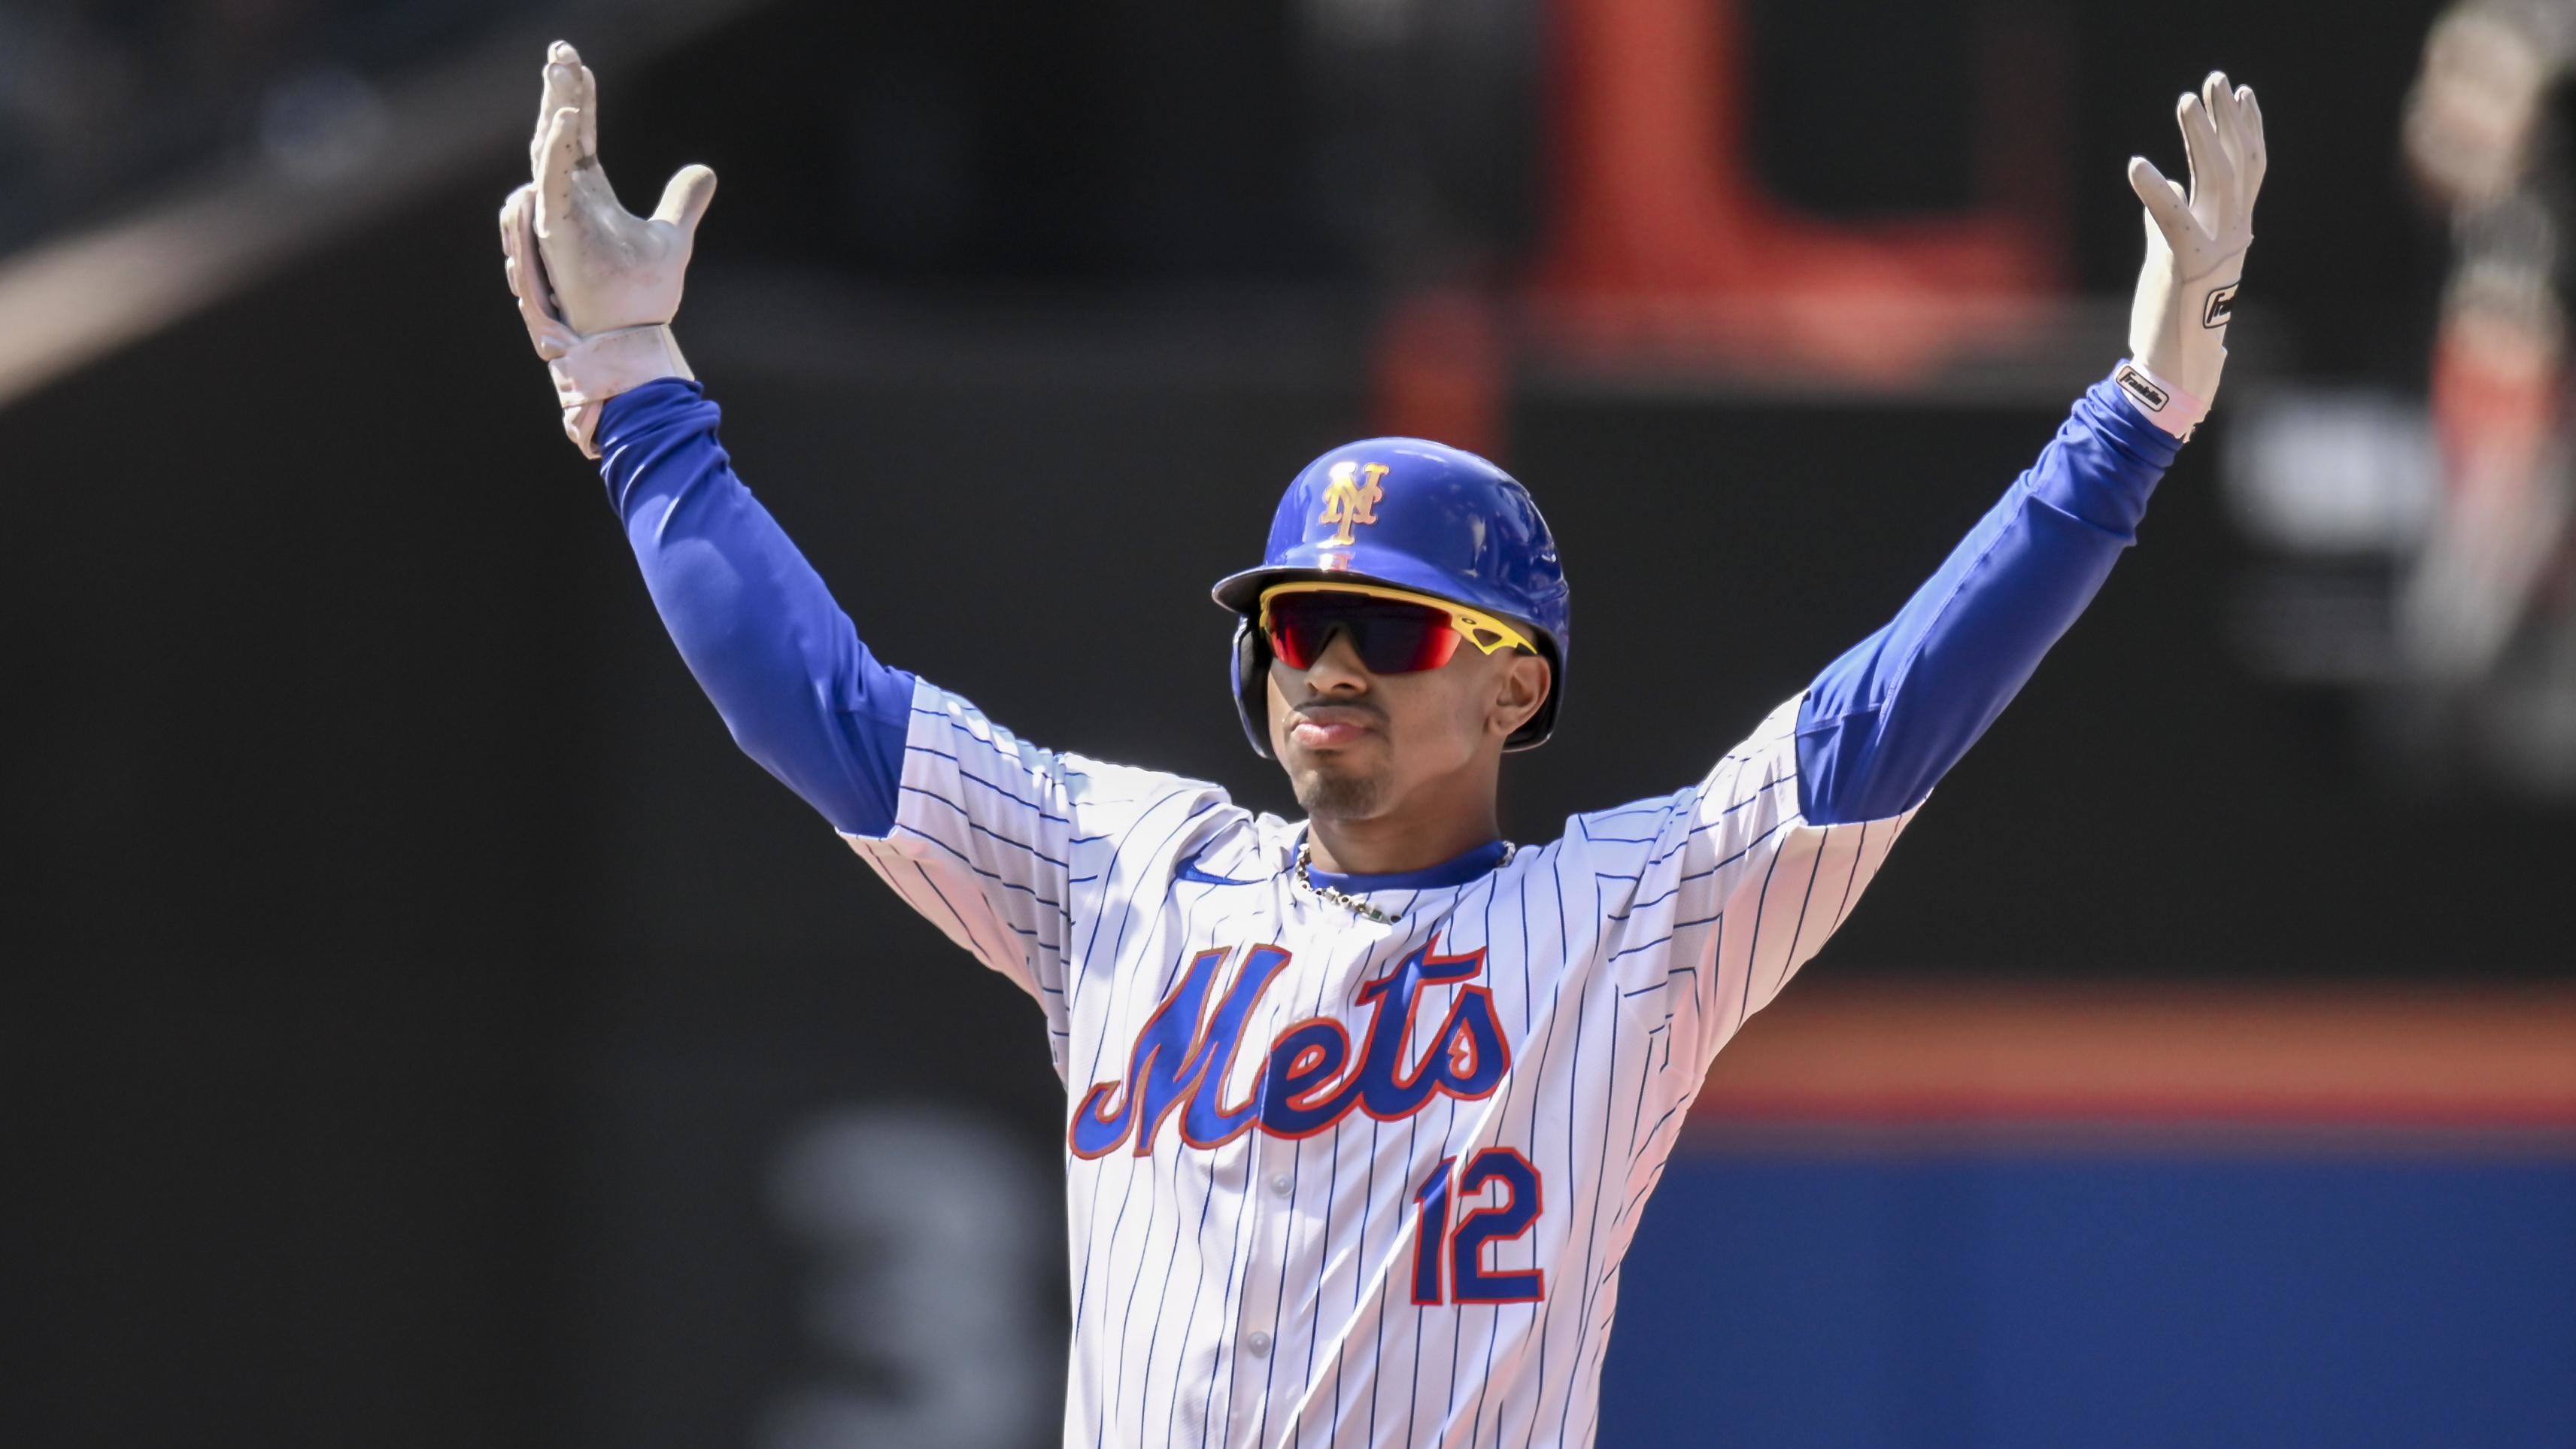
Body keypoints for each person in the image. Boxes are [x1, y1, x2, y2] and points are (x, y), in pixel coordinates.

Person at [499, 44, 2264, 1449]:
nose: (1326, 657)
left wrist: (2137, 418)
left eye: (1391, 624)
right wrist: (641, 392)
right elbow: (812, 706)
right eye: (1293, 619)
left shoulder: (1634, 925)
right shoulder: (1121, 871)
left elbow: (1897, 709)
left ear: (1514, 685)